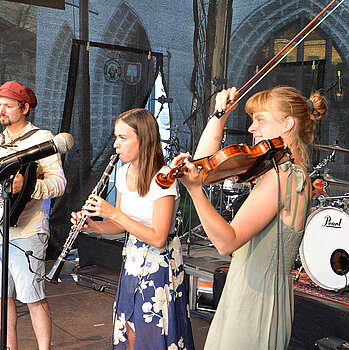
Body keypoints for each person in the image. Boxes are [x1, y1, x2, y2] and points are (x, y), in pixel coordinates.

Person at [171, 86, 328, 349]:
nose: (252, 128)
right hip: (261, 295)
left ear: (287, 123)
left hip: (255, 301)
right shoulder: (287, 171)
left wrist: (196, 192)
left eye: (260, 119)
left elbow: (226, 242)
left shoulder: (284, 176)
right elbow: (203, 166)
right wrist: (219, 116)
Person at [71, 108, 194, 350]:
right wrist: (92, 226)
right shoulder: (123, 172)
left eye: (123, 138)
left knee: (153, 329)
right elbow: (119, 225)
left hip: (160, 263)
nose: (116, 145)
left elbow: (158, 238)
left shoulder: (164, 179)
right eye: (116, 137)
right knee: (128, 324)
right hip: (133, 258)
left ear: (144, 139)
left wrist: (113, 213)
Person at [0, 81, 67, 350]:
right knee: (3, 298)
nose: (1, 111)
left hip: (28, 231)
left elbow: (59, 184)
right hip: (1, 230)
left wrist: (27, 187)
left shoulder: (42, 140)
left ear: (24, 108)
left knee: (33, 297)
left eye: (8, 106)